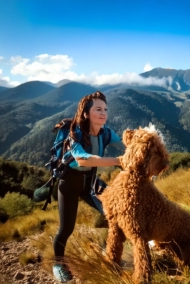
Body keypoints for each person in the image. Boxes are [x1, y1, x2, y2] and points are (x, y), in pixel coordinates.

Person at [52, 91, 125, 282]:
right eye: (98, 109)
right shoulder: (74, 133)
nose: (103, 113)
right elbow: (83, 160)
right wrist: (118, 161)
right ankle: (58, 264)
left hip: (91, 182)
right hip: (70, 183)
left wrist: (143, 150)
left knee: (116, 214)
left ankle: (110, 252)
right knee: (66, 229)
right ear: (86, 114)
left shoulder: (106, 133)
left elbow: (126, 146)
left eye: (105, 109)